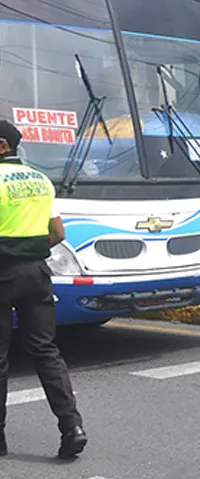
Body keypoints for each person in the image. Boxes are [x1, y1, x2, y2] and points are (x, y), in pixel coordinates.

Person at [0, 120, 87, 460]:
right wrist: (30, 250)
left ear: (2, 146)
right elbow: (58, 233)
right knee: (45, 350)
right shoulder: (40, 179)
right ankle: (72, 427)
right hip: (37, 274)